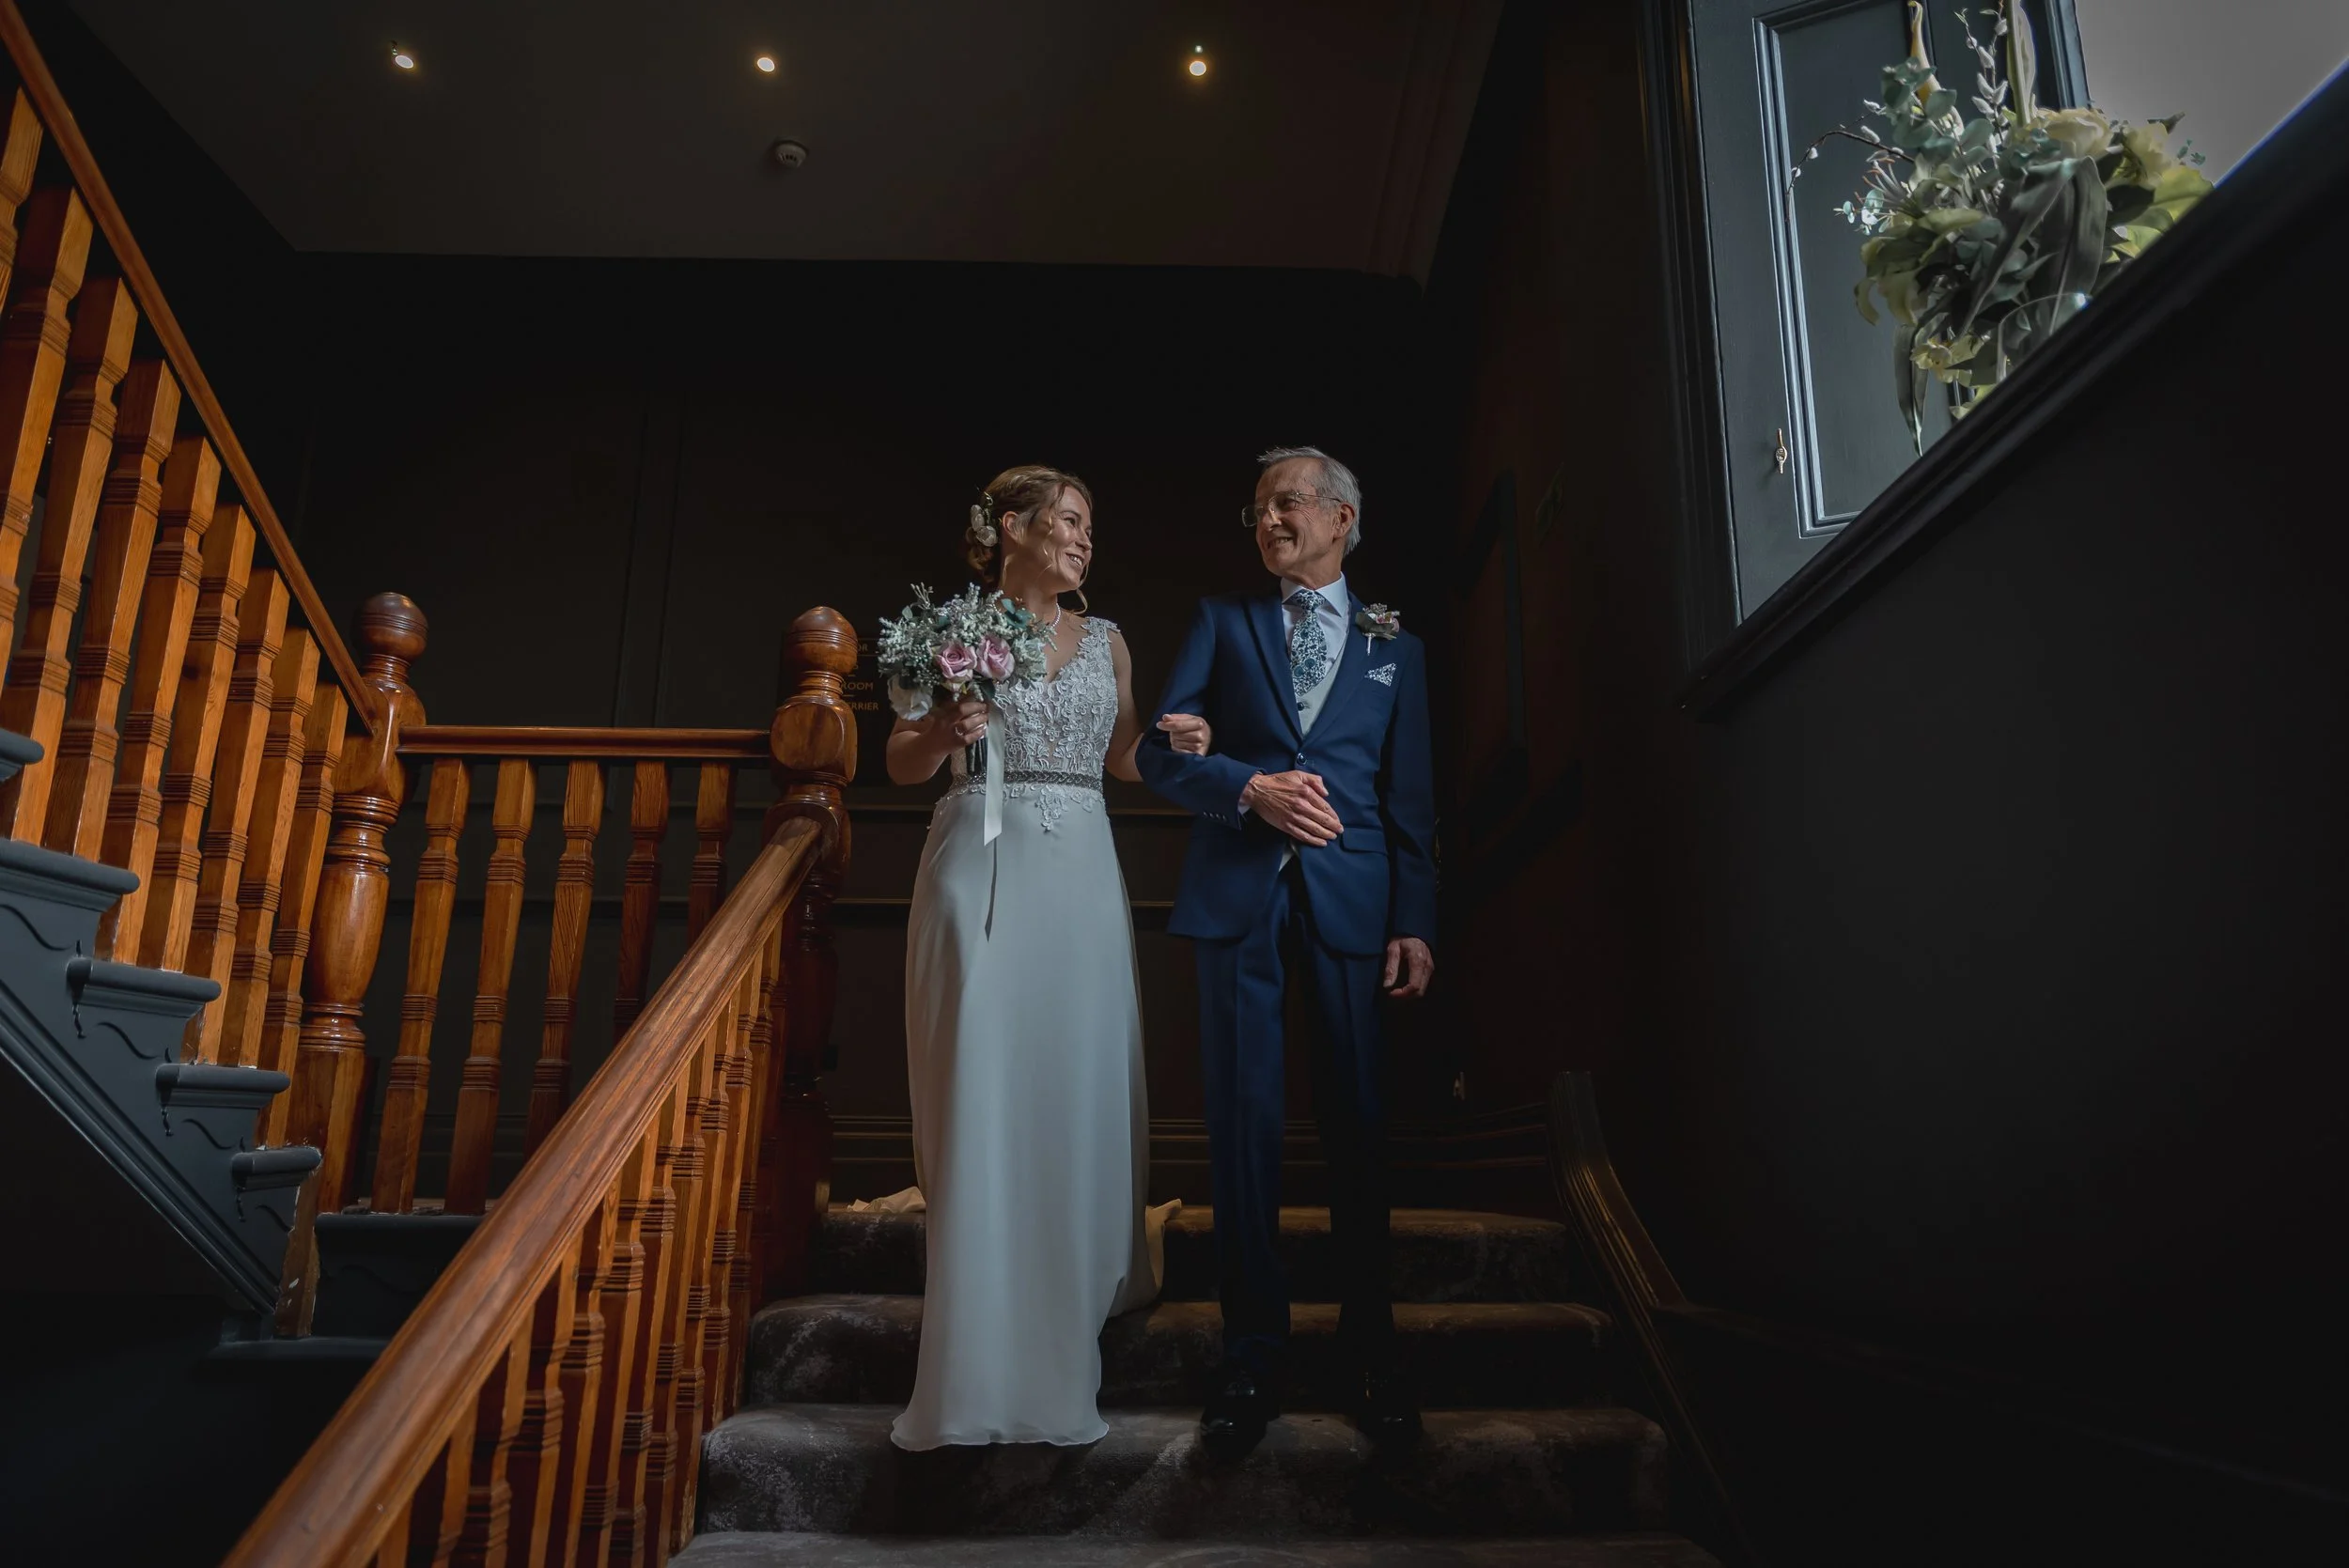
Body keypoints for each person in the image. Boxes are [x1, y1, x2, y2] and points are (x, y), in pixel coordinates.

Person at [886, 464, 1207, 1450]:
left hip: (1078, 869)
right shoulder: (947, 629)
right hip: (976, 860)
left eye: (1088, 528)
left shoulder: (1105, 639)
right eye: (1067, 521)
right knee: (980, 1074)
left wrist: (1173, 741)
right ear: (1010, 528)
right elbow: (899, 760)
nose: (1082, 540)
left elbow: (1120, 752)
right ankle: (983, 1313)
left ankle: (1073, 1270)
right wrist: (945, 726)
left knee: (1073, 1075)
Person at [1135, 445, 1437, 1449]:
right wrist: (1241, 785)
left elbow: (1409, 798)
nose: (1268, 520)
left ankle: (1373, 1356)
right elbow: (1150, 754)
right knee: (1242, 1130)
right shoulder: (1223, 622)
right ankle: (1250, 1361)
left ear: (1342, 517)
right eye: (1259, 508)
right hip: (1238, 898)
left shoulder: (1396, 639)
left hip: (1356, 902)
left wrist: (1414, 918)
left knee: (1357, 1124)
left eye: (1288, 503)